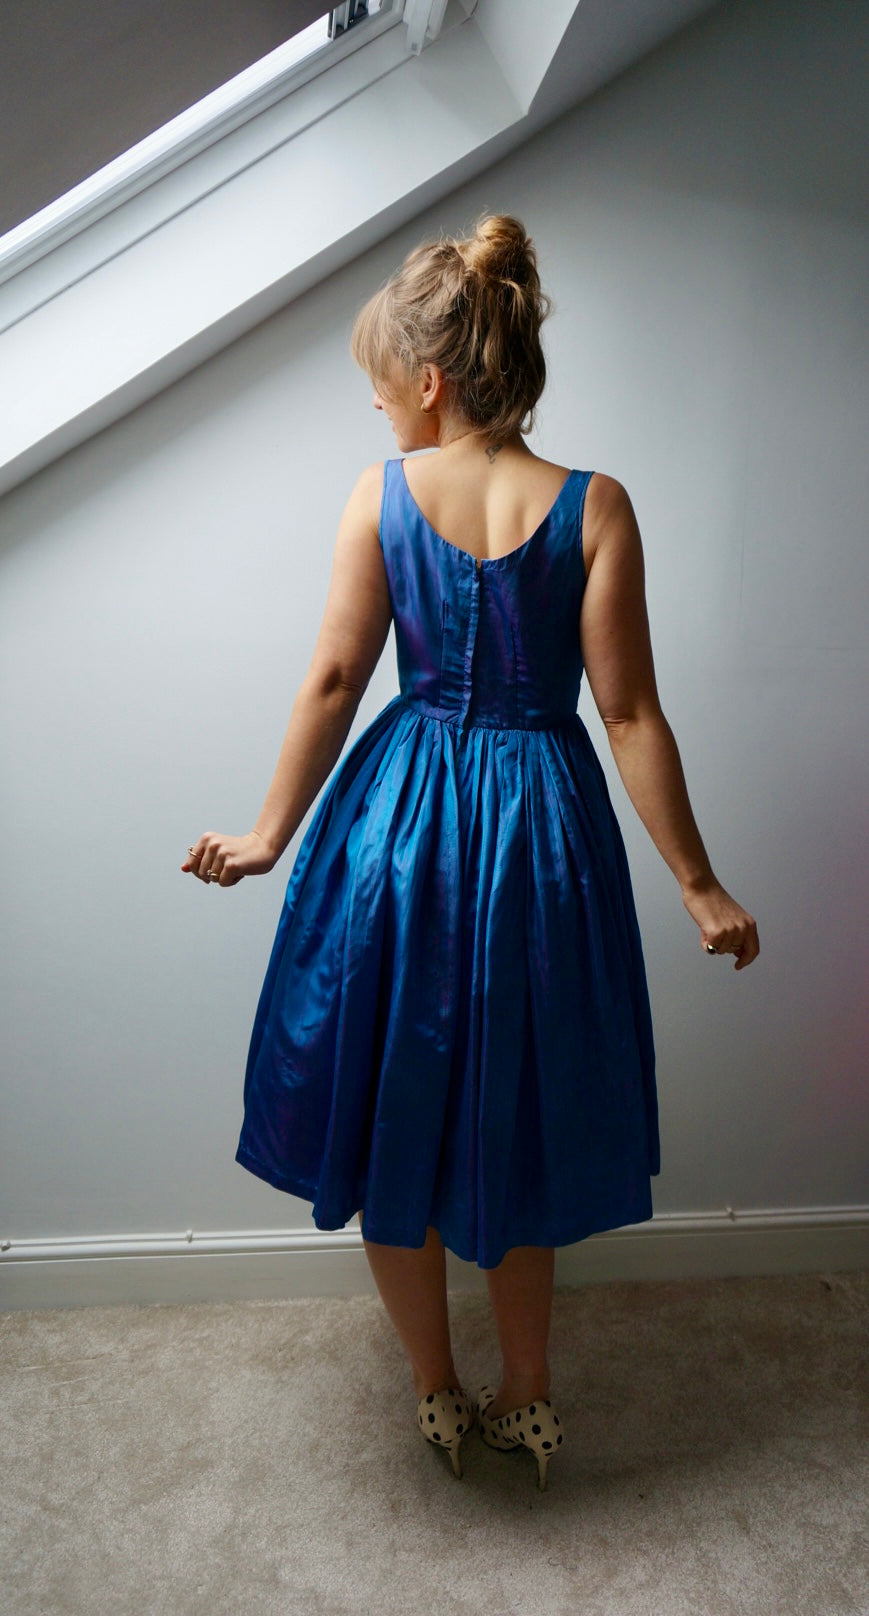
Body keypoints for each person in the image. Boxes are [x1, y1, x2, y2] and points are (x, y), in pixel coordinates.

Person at [183, 212, 758, 1491]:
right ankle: (529, 1395)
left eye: (380, 380)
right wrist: (696, 881)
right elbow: (626, 713)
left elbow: (335, 679)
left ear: (431, 379)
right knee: (514, 1119)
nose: (376, 402)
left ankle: (435, 1389)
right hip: (538, 845)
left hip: (399, 841)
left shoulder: (380, 495)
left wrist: (270, 834)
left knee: (392, 1116)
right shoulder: (595, 505)